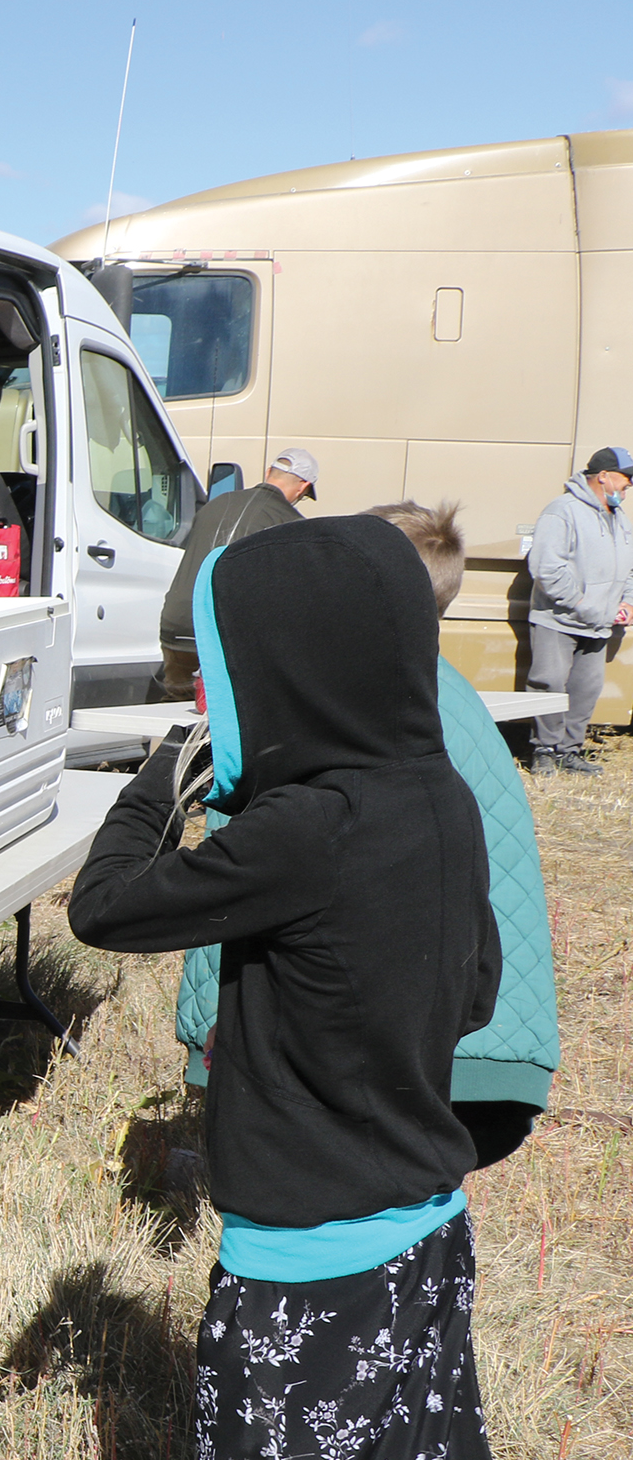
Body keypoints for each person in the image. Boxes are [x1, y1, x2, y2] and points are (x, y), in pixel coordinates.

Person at [69, 515, 569, 1460]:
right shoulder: (438, 797)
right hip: (423, 1244)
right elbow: (470, 994)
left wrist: (159, 782)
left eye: (221, 678)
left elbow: (105, 908)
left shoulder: (302, 832)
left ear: (282, 674)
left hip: (304, 1275)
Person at [171, 501, 559, 1171]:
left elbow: (243, 866)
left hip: (389, 1040)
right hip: (477, 1029)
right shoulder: (451, 697)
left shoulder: (343, 704)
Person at [152, 447, 315, 700]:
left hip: (178, 622)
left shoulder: (217, 503)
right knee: (226, 711)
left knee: (173, 705)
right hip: (225, 633)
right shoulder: (292, 525)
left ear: (268, 472)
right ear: (303, 486)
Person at [523, 445, 633, 774]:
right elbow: (546, 569)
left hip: (599, 624)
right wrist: (584, 605)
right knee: (549, 684)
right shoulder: (562, 511)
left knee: (585, 691)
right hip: (559, 621)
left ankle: (568, 752)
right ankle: (544, 751)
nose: (629, 484)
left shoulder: (621, 520)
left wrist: (626, 602)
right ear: (602, 476)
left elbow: (629, 570)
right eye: (626, 477)